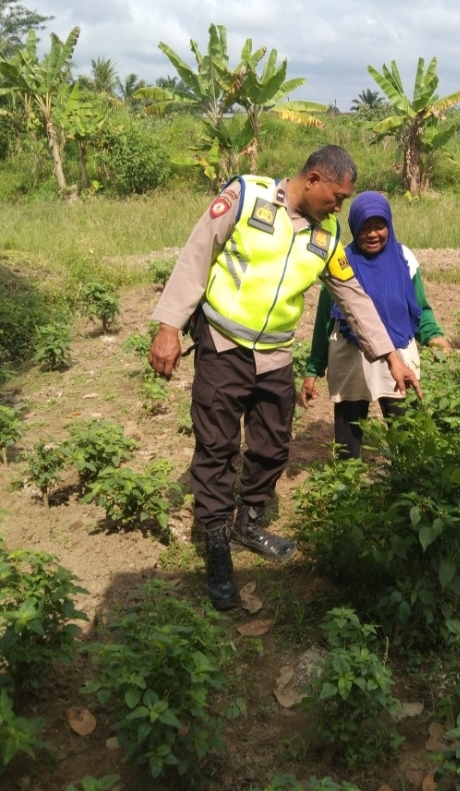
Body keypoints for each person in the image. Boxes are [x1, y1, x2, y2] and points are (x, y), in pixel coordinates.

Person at [148, 146, 421, 611]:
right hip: (223, 343)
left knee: (273, 444)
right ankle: (217, 545)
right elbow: (197, 255)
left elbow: (353, 296)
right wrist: (169, 325)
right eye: (337, 198)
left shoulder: (327, 236)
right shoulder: (245, 196)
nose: (339, 209)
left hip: (275, 354)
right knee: (216, 448)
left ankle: (249, 523)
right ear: (313, 180)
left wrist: (391, 356)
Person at [299, 190, 450, 458]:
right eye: (365, 227)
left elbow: (419, 307)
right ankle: (349, 479)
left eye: (379, 226)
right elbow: (325, 321)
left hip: (399, 355)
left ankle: (406, 480)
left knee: (405, 431)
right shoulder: (340, 263)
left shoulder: (404, 259)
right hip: (351, 358)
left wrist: (432, 335)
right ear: (354, 227)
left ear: (389, 225)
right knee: (348, 437)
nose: (372, 234)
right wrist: (314, 369)